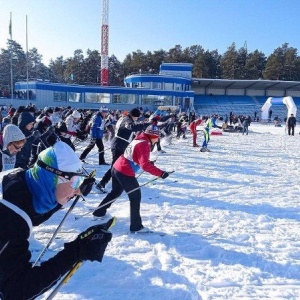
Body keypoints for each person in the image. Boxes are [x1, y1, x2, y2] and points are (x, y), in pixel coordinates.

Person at [0, 141, 112, 299]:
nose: (76, 190)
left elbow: (31, 214)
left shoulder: (19, 182)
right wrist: (75, 252)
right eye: (75, 181)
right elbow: (17, 291)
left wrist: (71, 191)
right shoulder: (10, 221)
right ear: (52, 177)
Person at [93, 125, 170, 232]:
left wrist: (148, 162)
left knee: (115, 192)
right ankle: (136, 226)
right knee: (135, 196)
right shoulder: (144, 144)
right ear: (152, 136)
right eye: (157, 137)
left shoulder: (140, 138)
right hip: (124, 171)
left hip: (117, 167)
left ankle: (99, 212)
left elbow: (136, 156)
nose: (158, 139)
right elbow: (145, 165)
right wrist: (161, 173)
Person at [95, 108, 150, 193]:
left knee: (118, 166)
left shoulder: (128, 119)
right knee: (115, 167)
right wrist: (147, 124)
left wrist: (146, 120)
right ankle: (103, 183)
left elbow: (135, 123)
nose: (137, 119)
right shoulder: (127, 120)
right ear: (134, 116)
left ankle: (111, 183)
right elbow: (132, 127)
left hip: (121, 145)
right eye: (136, 117)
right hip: (119, 145)